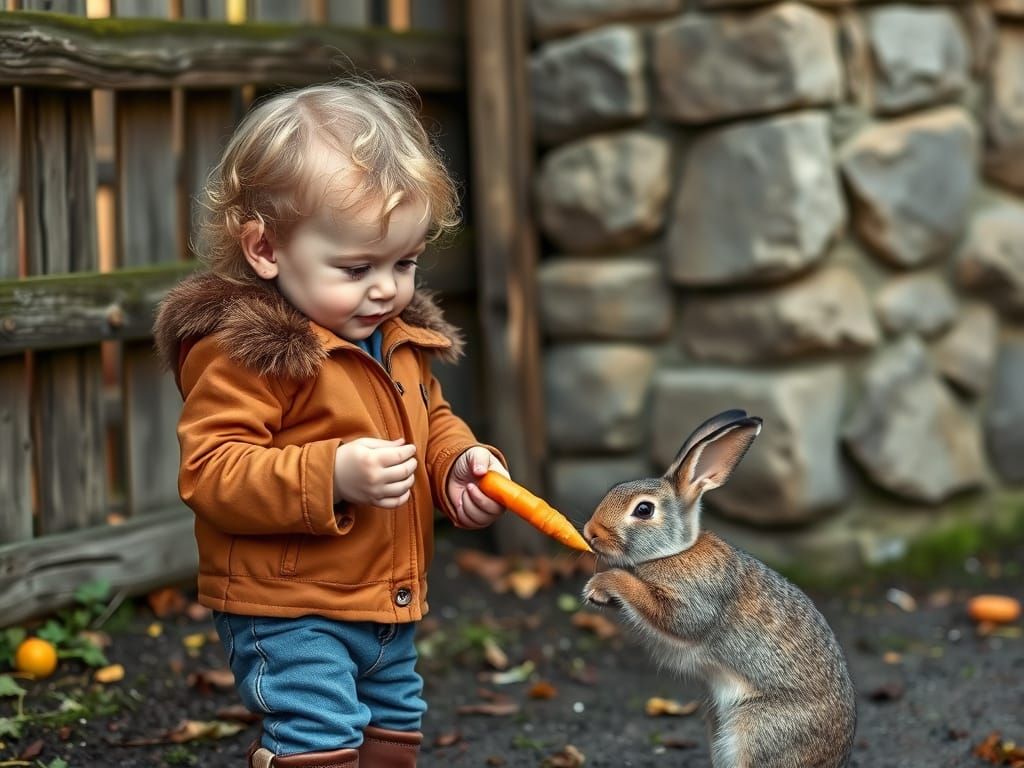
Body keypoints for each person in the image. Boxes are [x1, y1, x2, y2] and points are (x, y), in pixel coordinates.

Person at [154, 80, 509, 768]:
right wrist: (333, 474)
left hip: (384, 598)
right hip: (289, 606)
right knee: (320, 739)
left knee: (391, 735)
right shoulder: (244, 352)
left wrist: (458, 462)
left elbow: (429, 420)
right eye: (355, 267)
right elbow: (213, 471)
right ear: (265, 249)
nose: (386, 288)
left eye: (404, 263)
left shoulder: (392, 335)